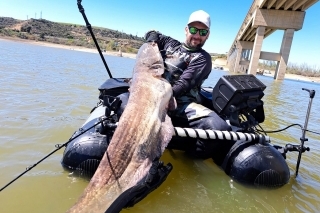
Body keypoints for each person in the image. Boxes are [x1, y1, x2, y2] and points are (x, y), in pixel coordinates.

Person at [144, 10, 232, 161]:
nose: (197, 36)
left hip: (182, 104)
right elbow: (152, 33)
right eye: (193, 30)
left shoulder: (203, 58)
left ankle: (188, 159)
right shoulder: (170, 44)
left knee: (220, 128)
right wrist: (151, 39)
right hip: (151, 96)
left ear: (208, 35)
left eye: (203, 32)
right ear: (186, 29)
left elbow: (183, 84)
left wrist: (160, 100)